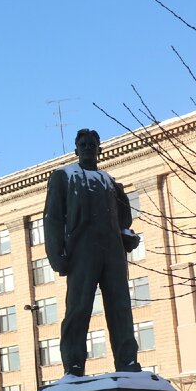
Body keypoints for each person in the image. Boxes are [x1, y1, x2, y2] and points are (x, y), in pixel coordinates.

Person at [43, 129, 142, 377]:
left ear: (100, 149)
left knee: (120, 305)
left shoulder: (109, 181)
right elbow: (53, 218)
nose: (88, 147)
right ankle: (74, 364)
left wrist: (126, 235)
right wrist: (57, 255)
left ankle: (127, 360)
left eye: (92, 144)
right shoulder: (63, 176)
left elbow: (123, 219)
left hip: (112, 252)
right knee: (78, 307)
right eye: (83, 144)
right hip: (82, 250)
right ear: (76, 150)